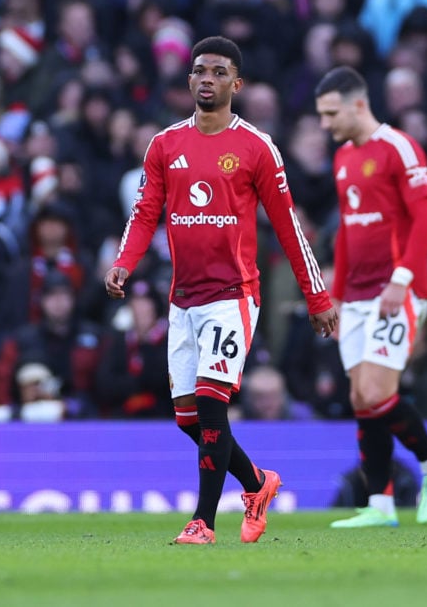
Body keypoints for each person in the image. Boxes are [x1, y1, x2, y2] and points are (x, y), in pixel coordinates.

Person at [105, 36, 338, 545]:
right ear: (189, 80)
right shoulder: (165, 144)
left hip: (231, 296)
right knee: (189, 417)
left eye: (218, 71)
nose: (206, 79)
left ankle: (203, 522)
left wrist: (317, 297)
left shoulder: (256, 147)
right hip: (182, 299)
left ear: (237, 83)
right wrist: (125, 262)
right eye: (199, 71)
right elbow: (145, 213)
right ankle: (257, 483)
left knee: (212, 406)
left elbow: (288, 227)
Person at [314, 65, 427, 529]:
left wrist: (402, 279)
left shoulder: (399, 147)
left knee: (377, 391)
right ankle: (380, 505)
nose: (324, 124)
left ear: (358, 104)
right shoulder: (343, 159)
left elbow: (425, 221)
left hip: (396, 290)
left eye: (331, 113)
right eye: (320, 115)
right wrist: (332, 295)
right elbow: (346, 236)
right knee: (360, 397)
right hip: (353, 294)